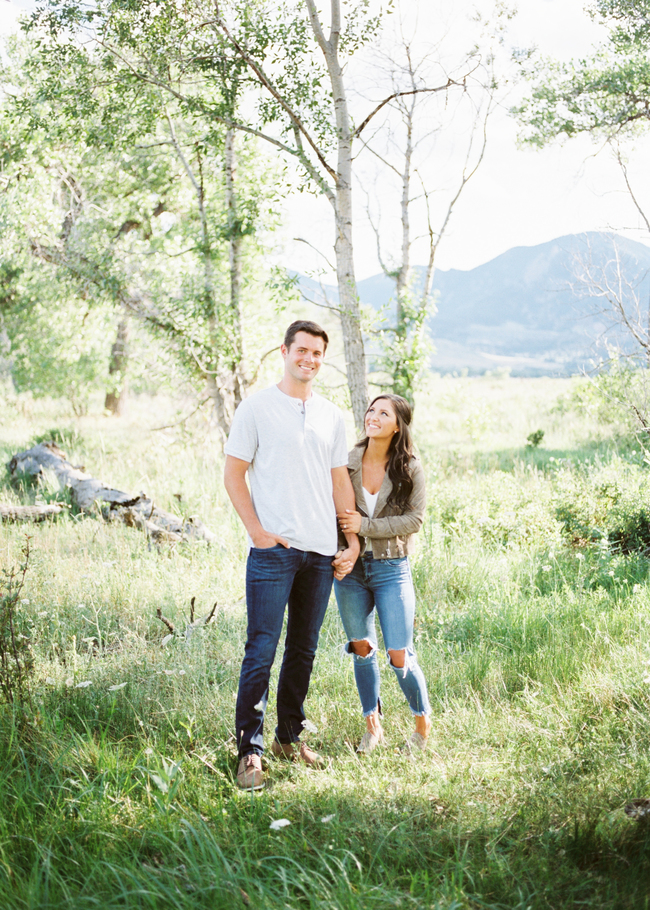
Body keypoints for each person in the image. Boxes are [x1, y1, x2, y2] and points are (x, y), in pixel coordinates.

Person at [224, 320, 359, 790]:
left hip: (320, 551)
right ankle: (250, 750)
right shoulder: (257, 407)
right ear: (284, 351)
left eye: (317, 354)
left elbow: (339, 479)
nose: (309, 359)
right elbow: (234, 475)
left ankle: (288, 736)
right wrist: (258, 532)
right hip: (274, 551)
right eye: (302, 350)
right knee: (261, 648)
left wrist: (350, 538)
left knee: (303, 648)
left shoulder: (330, 415)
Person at [334, 394, 431, 754]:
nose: (373, 416)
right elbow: (334, 511)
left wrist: (367, 526)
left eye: (383, 413)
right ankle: (372, 727)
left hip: (392, 567)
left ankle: (422, 727)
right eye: (371, 410)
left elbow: (414, 520)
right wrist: (344, 545)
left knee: (399, 653)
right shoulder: (346, 464)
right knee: (362, 648)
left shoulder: (410, 468)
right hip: (351, 570)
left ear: (397, 425)